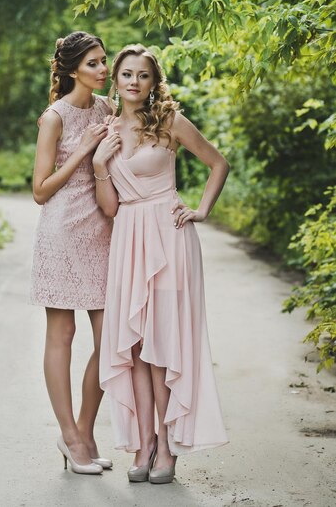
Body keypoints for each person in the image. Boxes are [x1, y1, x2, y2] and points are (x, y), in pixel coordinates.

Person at [93, 44, 229, 484]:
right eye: (127, 74)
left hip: (169, 239)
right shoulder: (106, 130)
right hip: (128, 238)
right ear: (115, 80)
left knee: (161, 346)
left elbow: (217, 163)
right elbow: (110, 207)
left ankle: (167, 448)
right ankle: (144, 443)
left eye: (143, 75)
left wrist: (202, 211)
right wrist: (98, 163)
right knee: (134, 351)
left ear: (154, 83)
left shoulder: (169, 122)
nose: (134, 82)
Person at [30, 31, 116, 475]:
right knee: (61, 336)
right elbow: (40, 191)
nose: (105, 70)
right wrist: (82, 149)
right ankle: (68, 435)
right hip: (61, 231)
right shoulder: (54, 117)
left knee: (110, 341)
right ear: (71, 70)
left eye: (105, 61)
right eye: (95, 63)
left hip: (102, 232)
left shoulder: (107, 109)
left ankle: (85, 431)